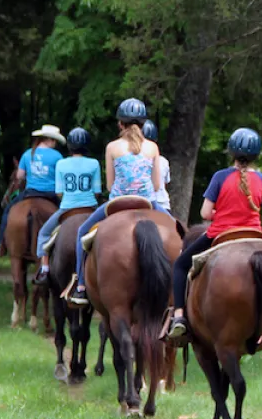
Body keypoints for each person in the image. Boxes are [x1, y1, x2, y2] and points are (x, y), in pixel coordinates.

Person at [164, 128, 262, 339]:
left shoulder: (220, 176)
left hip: (221, 233)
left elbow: (204, 212)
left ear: (231, 152)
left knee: (181, 265)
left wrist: (222, 212)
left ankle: (178, 316)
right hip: (255, 235)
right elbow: (257, 206)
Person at [67, 98, 173, 306]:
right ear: (143, 124)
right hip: (148, 202)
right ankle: (181, 289)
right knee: (178, 231)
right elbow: (157, 185)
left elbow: (109, 185)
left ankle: (80, 286)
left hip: (118, 203)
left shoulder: (112, 147)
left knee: (81, 233)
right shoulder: (152, 147)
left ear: (120, 124)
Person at [32, 127, 101, 285]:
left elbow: (59, 192)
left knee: (43, 233)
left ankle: (44, 269)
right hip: (90, 208)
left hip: (68, 209)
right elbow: (97, 192)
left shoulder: (62, 164)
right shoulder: (94, 163)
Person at [0, 125, 66, 256]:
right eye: (55, 141)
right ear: (50, 140)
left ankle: (1, 243)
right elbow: (62, 176)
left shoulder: (27, 154)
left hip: (30, 192)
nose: (55, 144)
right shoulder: (57, 156)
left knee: (8, 210)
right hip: (51, 195)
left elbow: (20, 176)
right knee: (66, 215)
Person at [143, 119, 172, 217]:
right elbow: (164, 184)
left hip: (136, 201)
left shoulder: (128, 158)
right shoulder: (163, 161)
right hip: (161, 204)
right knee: (177, 228)